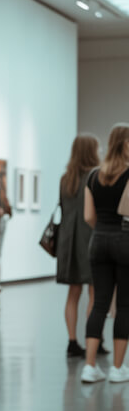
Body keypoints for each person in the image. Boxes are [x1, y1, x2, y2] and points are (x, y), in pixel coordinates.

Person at [81, 123, 129, 384]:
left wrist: (103, 230)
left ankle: (89, 367)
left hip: (98, 239)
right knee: (124, 305)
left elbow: (89, 216)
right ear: (125, 144)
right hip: (124, 240)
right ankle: (118, 368)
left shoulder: (93, 176)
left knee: (99, 303)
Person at [56, 134, 100, 358]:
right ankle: (95, 339)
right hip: (89, 238)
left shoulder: (66, 178)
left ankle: (72, 341)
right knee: (95, 293)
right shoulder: (96, 176)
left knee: (73, 293)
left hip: (67, 242)